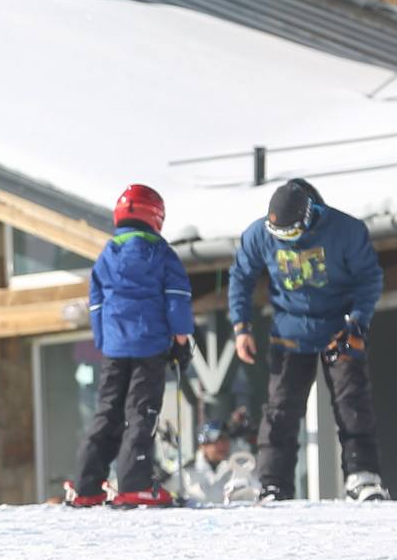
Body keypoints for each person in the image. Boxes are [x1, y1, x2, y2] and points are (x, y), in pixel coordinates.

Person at [228, 178, 389, 503]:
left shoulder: (346, 230)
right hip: (290, 331)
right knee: (280, 410)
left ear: (308, 217)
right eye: (280, 236)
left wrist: (357, 322)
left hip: (339, 329)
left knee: (351, 403)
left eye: (291, 234)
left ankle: (362, 475)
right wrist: (241, 327)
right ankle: (274, 483)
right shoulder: (257, 235)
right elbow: (241, 276)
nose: (286, 241)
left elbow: (369, 277)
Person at [64, 184, 194, 508]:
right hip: (149, 345)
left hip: (113, 348)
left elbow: (95, 303)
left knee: (108, 411)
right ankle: (134, 483)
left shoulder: (107, 255)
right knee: (141, 412)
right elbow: (177, 299)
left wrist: (104, 340)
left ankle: (86, 485)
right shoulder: (162, 254)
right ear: (156, 216)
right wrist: (181, 341)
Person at [172, 420, 259, 505]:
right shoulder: (186, 470)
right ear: (203, 445)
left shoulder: (241, 466)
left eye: (225, 440)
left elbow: (257, 486)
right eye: (216, 442)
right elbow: (165, 490)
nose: (222, 445)